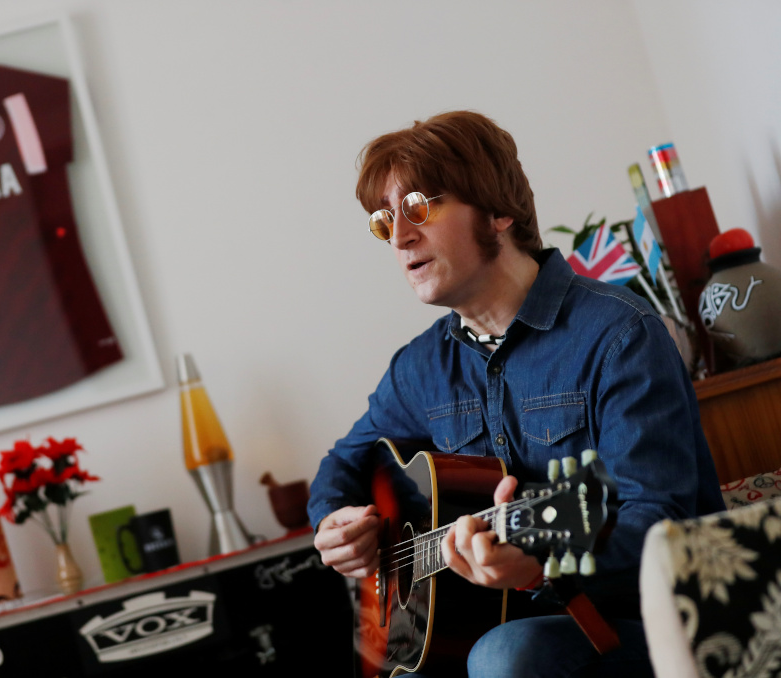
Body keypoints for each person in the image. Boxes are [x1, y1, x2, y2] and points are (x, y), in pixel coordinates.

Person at [307, 110, 725, 677]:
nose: (400, 237)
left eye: (419, 209)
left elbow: (660, 523)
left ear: (498, 211)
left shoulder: (619, 336)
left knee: (506, 657)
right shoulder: (421, 367)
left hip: (649, 622)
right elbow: (344, 462)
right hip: (490, 622)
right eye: (385, 222)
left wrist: (538, 560)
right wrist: (333, 523)